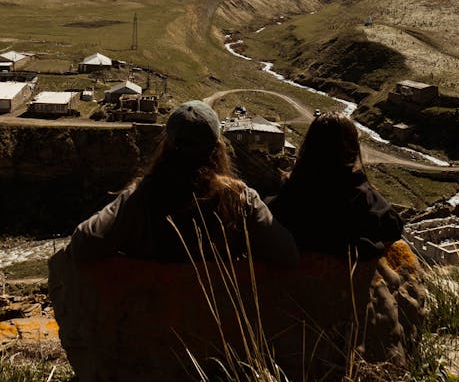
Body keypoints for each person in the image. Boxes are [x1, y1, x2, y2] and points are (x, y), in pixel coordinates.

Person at [69, 100, 299, 267]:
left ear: (167, 146)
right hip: (220, 324)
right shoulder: (241, 198)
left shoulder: (140, 197)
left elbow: (82, 244)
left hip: (157, 319)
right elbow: (287, 254)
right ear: (217, 147)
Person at [268, 111, 403, 260]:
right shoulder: (359, 194)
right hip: (344, 279)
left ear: (310, 146)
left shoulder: (292, 191)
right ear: (351, 149)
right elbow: (394, 226)